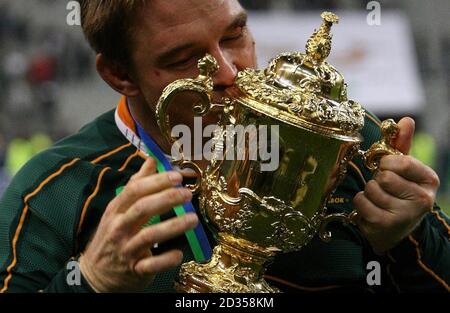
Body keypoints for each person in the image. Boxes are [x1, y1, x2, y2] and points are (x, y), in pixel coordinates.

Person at [0, 0, 448, 293]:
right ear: (119, 74)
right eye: (182, 59)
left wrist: (409, 238)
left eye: (234, 36)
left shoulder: (339, 147)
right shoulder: (55, 191)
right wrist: (91, 281)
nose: (228, 71)